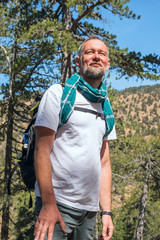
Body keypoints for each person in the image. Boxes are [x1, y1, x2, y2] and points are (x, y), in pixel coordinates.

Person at [34, 36, 116, 240]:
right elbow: (41, 150)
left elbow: (104, 163)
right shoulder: (58, 94)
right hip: (57, 205)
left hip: (89, 213)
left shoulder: (105, 106)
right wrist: (48, 205)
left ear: (107, 64)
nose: (96, 56)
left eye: (102, 54)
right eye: (89, 52)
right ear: (78, 61)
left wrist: (106, 212)